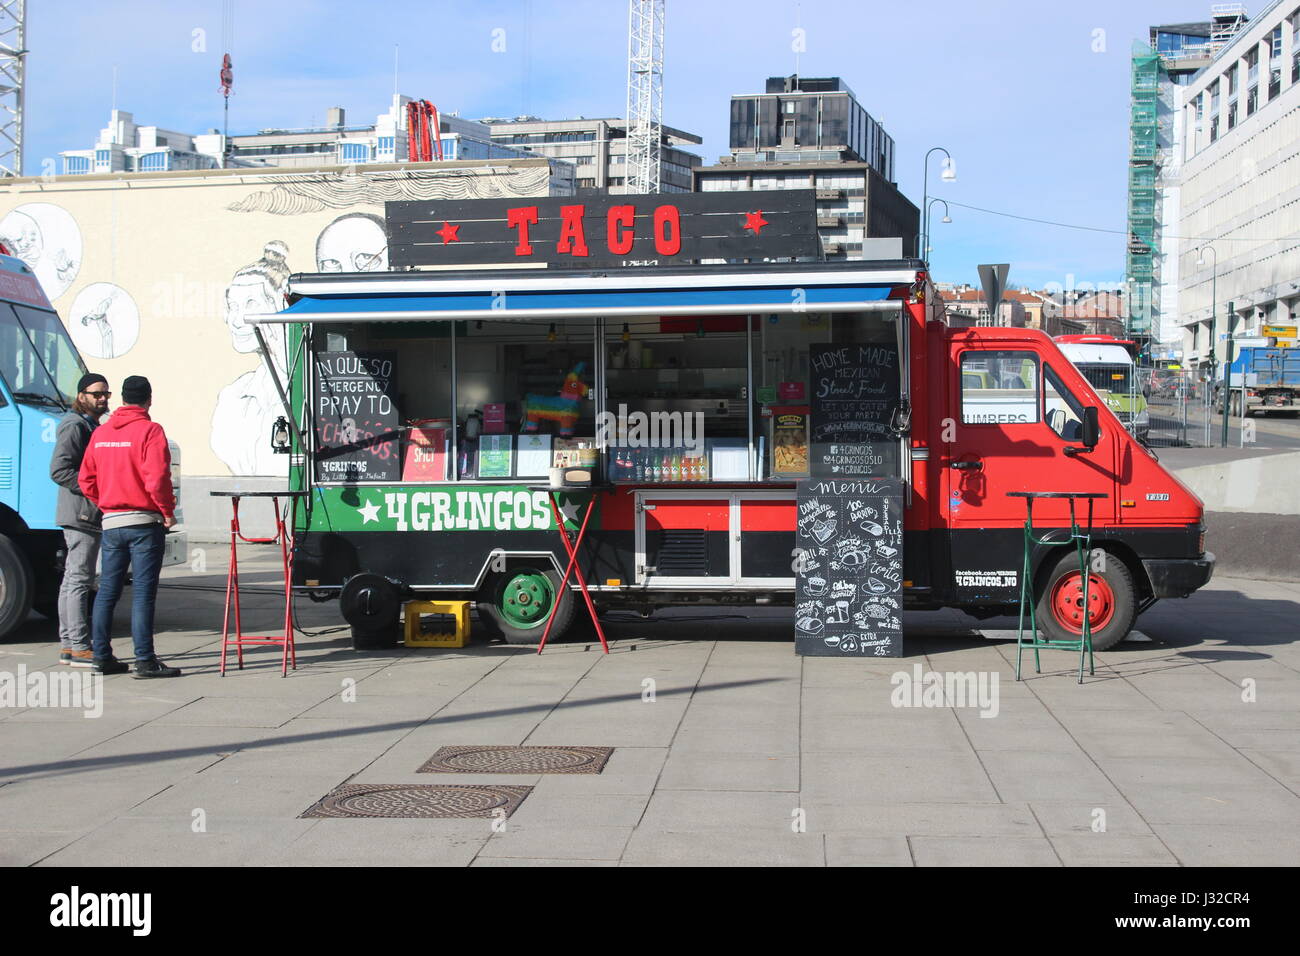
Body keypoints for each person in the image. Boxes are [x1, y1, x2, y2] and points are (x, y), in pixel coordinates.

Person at [78, 375, 181, 678]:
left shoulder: (101, 433)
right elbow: (157, 478)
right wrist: (167, 511)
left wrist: (108, 502)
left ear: (120, 399)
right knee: (143, 594)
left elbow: (86, 479)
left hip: (111, 523)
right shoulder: (150, 431)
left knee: (107, 591)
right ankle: (145, 661)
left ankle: (101, 656)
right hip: (144, 522)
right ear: (149, 399)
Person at [48, 372, 112, 667]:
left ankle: (68, 645)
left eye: (105, 394)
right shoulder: (75, 425)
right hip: (80, 513)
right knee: (79, 581)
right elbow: (59, 470)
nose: (102, 399)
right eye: (96, 394)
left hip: (82, 512)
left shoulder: (89, 425)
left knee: (72, 580)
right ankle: (79, 647)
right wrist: (94, 489)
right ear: (82, 395)